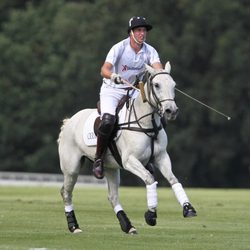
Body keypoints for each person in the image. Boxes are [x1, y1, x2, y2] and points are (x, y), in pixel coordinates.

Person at [93, 16, 163, 179]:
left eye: (144, 30)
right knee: (109, 121)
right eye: (138, 30)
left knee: (156, 115)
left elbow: (158, 68)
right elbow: (104, 69)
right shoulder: (119, 48)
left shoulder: (150, 50)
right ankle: (98, 159)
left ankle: (148, 157)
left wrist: (162, 77)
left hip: (133, 90)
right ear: (131, 32)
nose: (142, 33)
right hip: (112, 89)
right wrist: (113, 76)